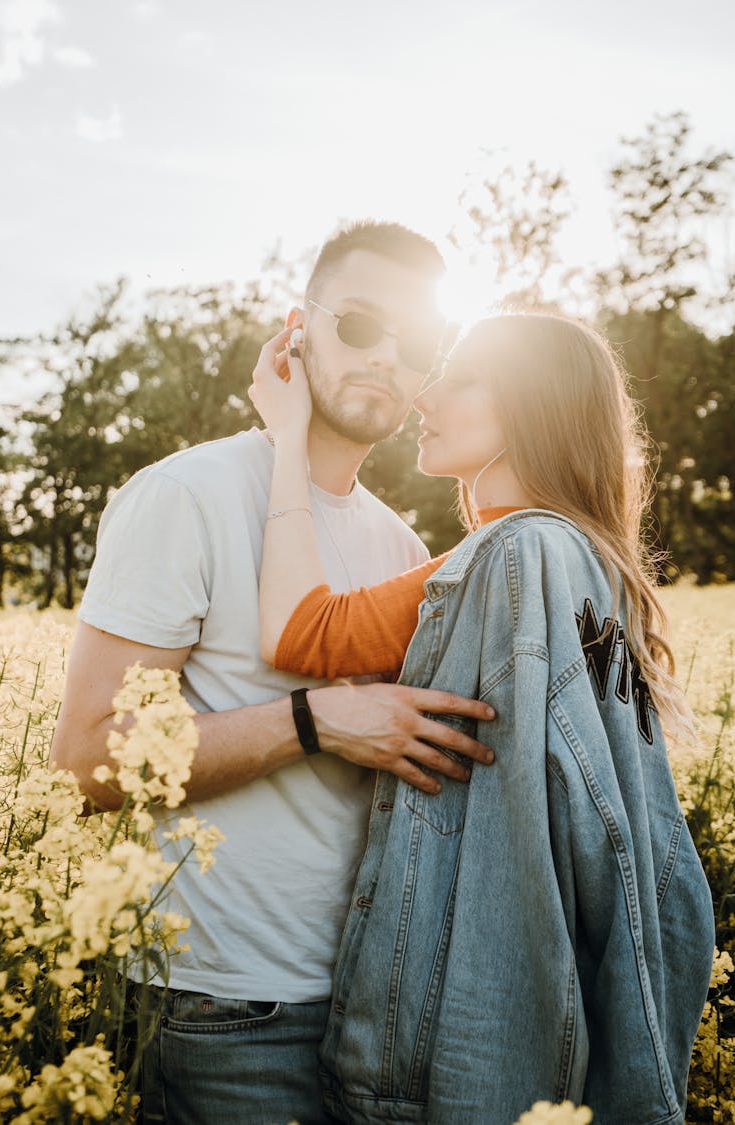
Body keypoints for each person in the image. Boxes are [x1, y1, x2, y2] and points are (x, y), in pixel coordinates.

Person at [49, 220, 499, 1125]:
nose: (385, 359)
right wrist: (313, 721)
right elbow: (84, 763)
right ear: (298, 327)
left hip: (373, 1004)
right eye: (361, 325)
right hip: (219, 1010)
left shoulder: (400, 543)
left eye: (414, 345)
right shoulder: (189, 494)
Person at [248, 311, 716, 1125]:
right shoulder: (585, 559)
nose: (425, 394)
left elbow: (299, 630)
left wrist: (288, 436)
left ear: (531, 408)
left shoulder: (515, 558)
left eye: (460, 379)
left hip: (467, 1044)